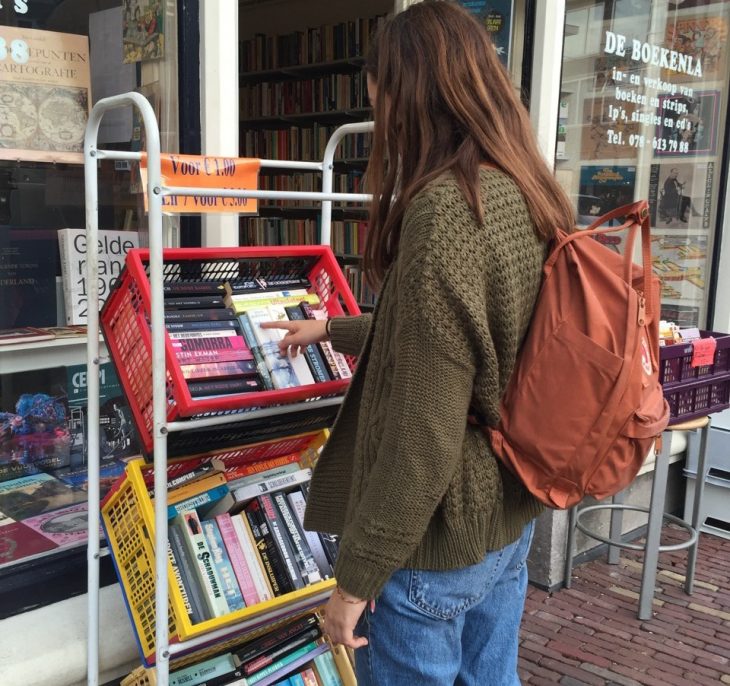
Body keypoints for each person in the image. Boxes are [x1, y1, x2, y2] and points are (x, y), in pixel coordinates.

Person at [262, 2, 575, 684]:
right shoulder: (526, 188)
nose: (379, 120)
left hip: (437, 543)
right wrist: (333, 328)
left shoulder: (446, 210)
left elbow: (422, 434)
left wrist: (354, 583)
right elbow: (469, 342)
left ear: (408, 95)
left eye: (379, 98)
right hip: (507, 519)